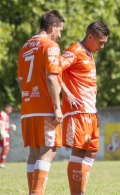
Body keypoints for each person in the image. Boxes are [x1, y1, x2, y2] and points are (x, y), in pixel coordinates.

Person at [17, 10, 64, 195]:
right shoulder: (50, 46)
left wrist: (29, 96)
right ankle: (37, 193)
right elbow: (52, 77)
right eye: (59, 30)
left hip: (28, 107)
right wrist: (57, 107)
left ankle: (32, 192)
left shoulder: (25, 46)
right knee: (50, 149)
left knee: (34, 151)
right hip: (45, 107)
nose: (59, 35)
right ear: (52, 27)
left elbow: (21, 80)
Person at [60, 21, 110, 195]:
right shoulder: (74, 51)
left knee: (92, 150)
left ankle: (80, 191)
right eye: (101, 42)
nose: (102, 46)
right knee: (79, 150)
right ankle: (76, 193)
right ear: (90, 37)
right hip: (78, 110)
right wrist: (66, 92)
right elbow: (53, 70)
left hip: (90, 110)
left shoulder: (88, 53)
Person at [0, 103, 16, 168]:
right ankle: (1, 163)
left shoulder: (6, 115)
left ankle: (1, 163)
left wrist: (10, 126)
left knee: (6, 147)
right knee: (6, 147)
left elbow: (5, 125)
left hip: (5, 133)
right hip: (3, 133)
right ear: (7, 108)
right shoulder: (2, 114)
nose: (11, 111)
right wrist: (1, 131)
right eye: (10, 109)